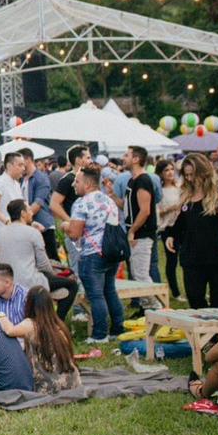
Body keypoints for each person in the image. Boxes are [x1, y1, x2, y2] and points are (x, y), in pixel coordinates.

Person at [65, 165, 124, 342]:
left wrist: (65, 226)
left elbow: (74, 234)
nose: (74, 185)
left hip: (92, 254)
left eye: (77, 181)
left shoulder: (81, 203)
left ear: (88, 184)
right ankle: (117, 329)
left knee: (96, 295)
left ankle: (100, 334)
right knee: (110, 291)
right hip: (111, 252)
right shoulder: (109, 201)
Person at [0, 200, 78, 319]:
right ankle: (57, 322)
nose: (32, 213)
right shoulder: (32, 233)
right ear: (23, 213)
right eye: (29, 209)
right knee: (72, 285)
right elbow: (44, 265)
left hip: (6, 282)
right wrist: (54, 274)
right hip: (30, 282)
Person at [170, 153, 218, 309]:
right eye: (186, 175)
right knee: (195, 299)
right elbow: (182, 222)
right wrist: (171, 235)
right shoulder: (187, 193)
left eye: (193, 175)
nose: (190, 179)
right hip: (192, 257)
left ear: (204, 171)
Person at [0, 286, 81, 394]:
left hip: (50, 386)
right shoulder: (58, 324)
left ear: (29, 304)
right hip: (72, 382)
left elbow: (9, 331)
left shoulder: (31, 324)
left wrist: (1, 315)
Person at [122, 145, 160, 307]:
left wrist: (132, 231)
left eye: (127, 155)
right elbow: (130, 208)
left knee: (141, 274)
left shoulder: (143, 180)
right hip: (135, 233)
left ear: (136, 159)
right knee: (136, 273)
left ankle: (157, 307)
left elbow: (145, 211)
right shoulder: (132, 180)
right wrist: (112, 195)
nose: (123, 158)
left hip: (142, 234)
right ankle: (146, 308)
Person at [0, 152, 26, 283]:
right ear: (9, 165)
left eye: (23, 165)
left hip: (13, 233)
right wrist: (7, 221)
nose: (23, 168)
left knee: (7, 269)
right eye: (20, 165)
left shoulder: (16, 184)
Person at [50, 145, 92, 272]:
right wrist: (70, 221)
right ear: (78, 160)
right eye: (88, 157)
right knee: (78, 268)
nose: (91, 161)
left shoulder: (89, 178)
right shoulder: (67, 180)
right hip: (75, 233)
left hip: (90, 231)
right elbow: (54, 204)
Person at [19, 148, 57, 261]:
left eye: (21, 162)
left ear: (28, 159)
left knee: (51, 260)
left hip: (43, 225)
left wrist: (22, 219)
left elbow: (38, 203)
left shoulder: (41, 178)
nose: (20, 166)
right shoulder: (22, 179)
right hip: (29, 224)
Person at [155, 159, 183, 300]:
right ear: (161, 173)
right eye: (166, 170)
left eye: (172, 169)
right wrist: (169, 209)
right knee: (172, 261)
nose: (170, 172)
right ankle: (176, 292)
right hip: (167, 228)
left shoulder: (180, 188)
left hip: (183, 227)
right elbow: (156, 212)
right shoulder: (159, 192)